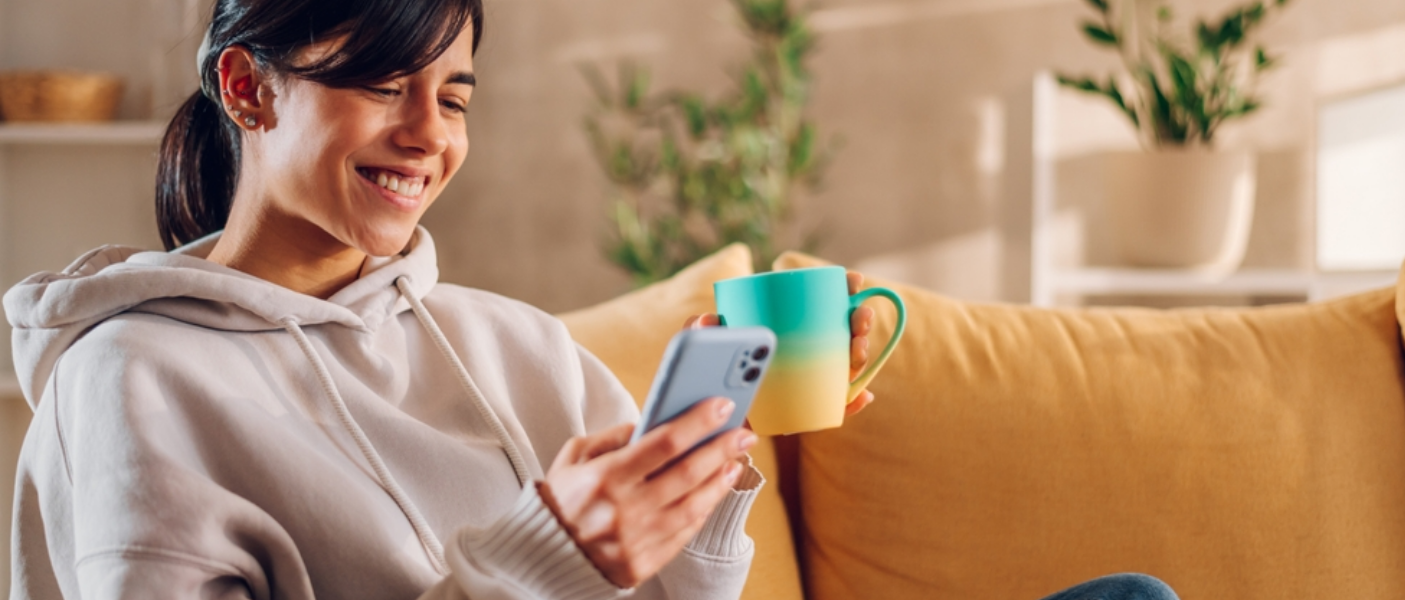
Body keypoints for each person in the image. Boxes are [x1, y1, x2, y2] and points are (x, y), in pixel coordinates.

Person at [3, 1, 1180, 599]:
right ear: (248, 89)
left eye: (455, 96)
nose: (427, 135)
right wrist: (545, 557)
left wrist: (699, 488)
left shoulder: (510, 345)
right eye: (379, 81)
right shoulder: (132, 384)